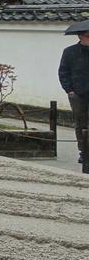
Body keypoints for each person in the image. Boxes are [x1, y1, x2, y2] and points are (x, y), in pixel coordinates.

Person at [58, 25, 89, 164]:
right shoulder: (70, 52)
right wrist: (69, 90)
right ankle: (83, 151)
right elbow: (63, 72)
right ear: (80, 36)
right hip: (78, 93)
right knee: (80, 123)